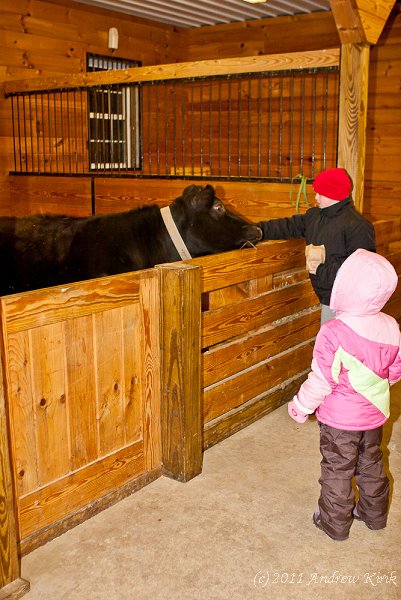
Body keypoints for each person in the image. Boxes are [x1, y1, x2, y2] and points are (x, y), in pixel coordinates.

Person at [288, 249, 401, 541]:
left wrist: (301, 406)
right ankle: (374, 516)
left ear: (347, 286)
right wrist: (375, 390)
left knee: (338, 468)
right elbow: (395, 371)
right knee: (371, 462)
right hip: (374, 417)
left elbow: (322, 379)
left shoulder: (334, 331)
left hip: (339, 421)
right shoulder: (391, 326)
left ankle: (334, 524)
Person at [257, 168, 376, 323]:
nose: (316, 197)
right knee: (328, 335)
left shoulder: (358, 226)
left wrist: (321, 271)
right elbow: (288, 226)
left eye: (320, 193)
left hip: (348, 303)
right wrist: (259, 231)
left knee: (335, 337)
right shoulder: (314, 216)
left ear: (333, 194)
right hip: (327, 298)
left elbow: (360, 268)